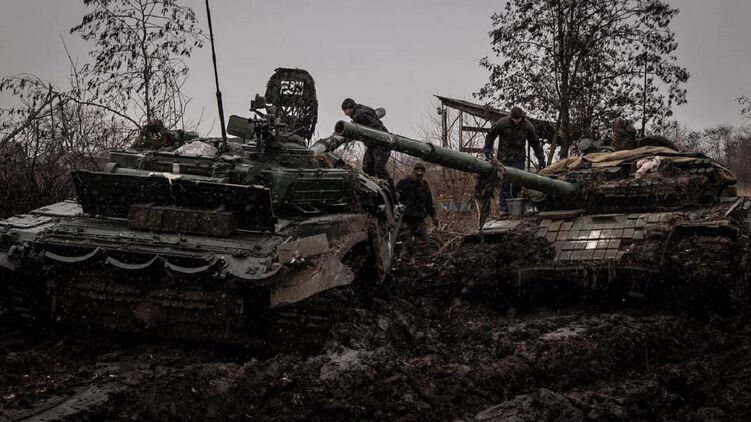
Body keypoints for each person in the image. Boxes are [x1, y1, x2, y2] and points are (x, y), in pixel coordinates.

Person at [483, 106, 545, 213]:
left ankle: (517, 207)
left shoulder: (528, 126)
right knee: (505, 184)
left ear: (522, 117)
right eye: (514, 119)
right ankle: (504, 209)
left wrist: (541, 158)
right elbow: (491, 134)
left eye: (518, 119)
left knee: (518, 183)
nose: (516, 121)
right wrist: (488, 149)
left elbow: (535, 142)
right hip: (504, 158)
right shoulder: (502, 123)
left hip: (518, 159)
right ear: (511, 117)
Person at [341, 98, 392, 181]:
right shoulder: (361, 111)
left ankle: (389, 186)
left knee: (379, 168)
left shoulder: (360, 114)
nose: (345, 114)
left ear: (349, 108)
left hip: (381, 143)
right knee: (367, 168)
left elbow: (375, 127)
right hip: (373, 144)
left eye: (345, 110)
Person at [396, 163, 437, 263]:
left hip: (419, 219)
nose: (419, 176)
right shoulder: (403, 183)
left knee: (424, 242)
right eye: (417, 174)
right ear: (413, 172)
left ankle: (423, 263)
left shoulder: (424, 185)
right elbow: (395, 200)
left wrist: (433, 216)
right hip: (406, 219)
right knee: (407, 243)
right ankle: (405, 263)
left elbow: (429, 202)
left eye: (421, 175)